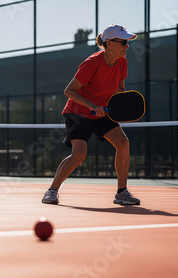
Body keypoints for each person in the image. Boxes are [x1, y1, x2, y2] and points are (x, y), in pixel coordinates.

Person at [42, 24, 140, 206]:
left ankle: (121, 192)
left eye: (128, 43)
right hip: (78, 111)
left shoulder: (122, 62)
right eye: (124, 42)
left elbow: (120, 88)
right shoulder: (91, 63)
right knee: (80, 154)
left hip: (103, 111)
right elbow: (69, 90)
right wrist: (92, 106)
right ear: (109, 43)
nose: (127, 46)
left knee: (123, 143)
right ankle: (52, 191)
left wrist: (122, 104)